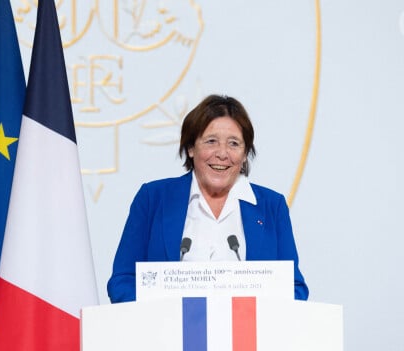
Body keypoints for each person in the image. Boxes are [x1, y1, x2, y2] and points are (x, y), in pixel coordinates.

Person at [107, 94, 309, 302]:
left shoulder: (271, 206)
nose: (222, 154)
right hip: (167, 331)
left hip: (246, 331)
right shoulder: (153, 199)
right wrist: (158, 317)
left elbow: (294, 288)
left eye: (234, 144)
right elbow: (123, 281)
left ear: (245, 153)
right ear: (191, 148)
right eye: (211, 141)